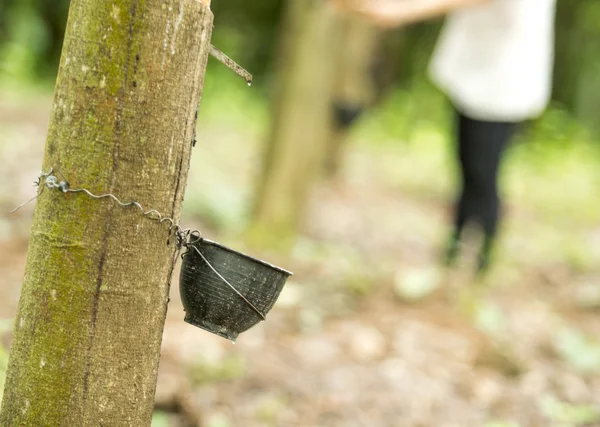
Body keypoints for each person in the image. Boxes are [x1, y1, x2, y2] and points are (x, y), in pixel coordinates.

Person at [332, 0, 557, 272]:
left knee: (483, 172)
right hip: (473, 71)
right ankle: (455, 247)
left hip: (505, 80)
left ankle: (481, 257)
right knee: (465, 164)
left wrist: (400, 10)